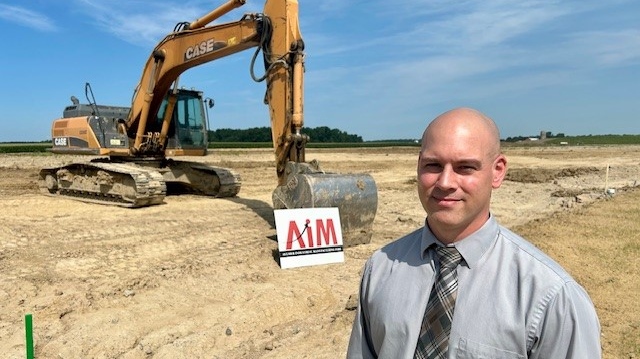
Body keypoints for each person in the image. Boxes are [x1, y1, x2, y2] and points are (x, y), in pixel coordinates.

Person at [346, 108, 601, 359]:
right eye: (433, 165)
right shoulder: (380, 269)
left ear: (497, 171)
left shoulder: (551, 297)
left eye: (465, 167)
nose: (445, 182)